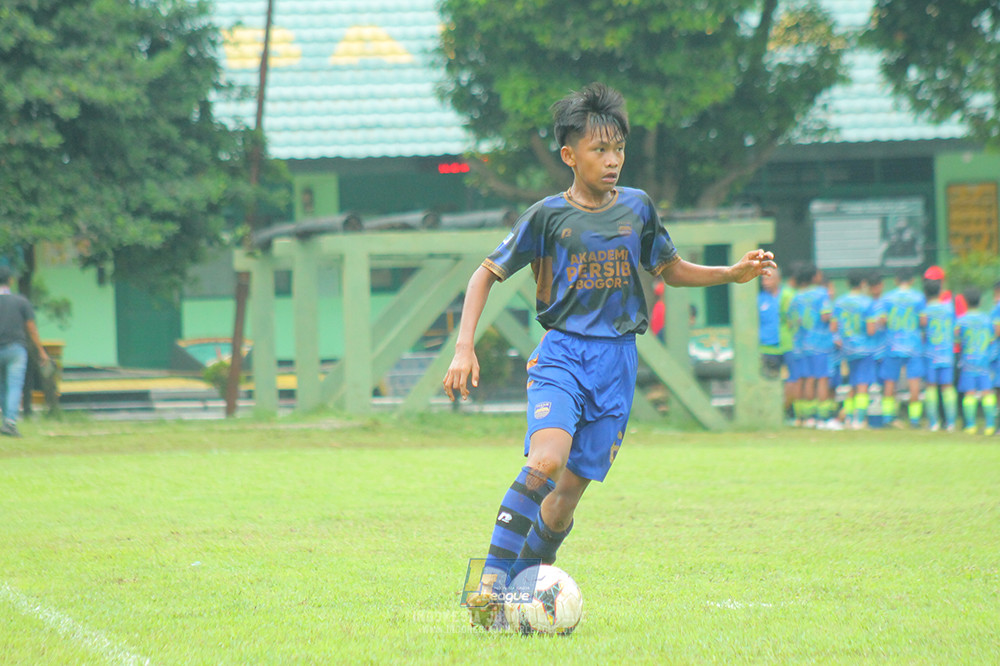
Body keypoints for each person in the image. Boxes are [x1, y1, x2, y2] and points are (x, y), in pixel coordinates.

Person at [440, 83, 776, 630]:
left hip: (617, 363)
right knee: (546, 461)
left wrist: (730, 273)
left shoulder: (638, 207)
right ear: (570, 156)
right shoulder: (546, 217)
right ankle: (492, 582)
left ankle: (517, 602)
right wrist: (463, 346)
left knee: (567, 497)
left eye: (618, 147)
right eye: (600, 150)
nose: (613, 159)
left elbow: (670, 268)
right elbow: (486, 273)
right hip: (563, 355)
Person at [0, 265, 51, 437]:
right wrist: (41, 351)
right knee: (14, 385)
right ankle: (10, 422)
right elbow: (31, 329)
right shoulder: (21, 302)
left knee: (1, 387)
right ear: (11, 280)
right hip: (15, 349)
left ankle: (5, 421)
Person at [874, 268, 926, 428]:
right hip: (913, 345)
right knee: (914, 380)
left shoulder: (887, 298)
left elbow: (881, 321)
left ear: (896, 280)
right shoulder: (919, 297)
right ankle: (915, 419)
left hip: (893, 345)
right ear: (912, 281)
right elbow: (923, 322)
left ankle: (888, 417)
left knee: (890, 380)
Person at [789, 263, 835, 428]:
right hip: (820, 342)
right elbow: (825, 316)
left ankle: (805, 417)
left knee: (807, 379)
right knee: (822, 378)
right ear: (814, 276)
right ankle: (823, 418)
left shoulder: (796, 297)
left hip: (801, 343)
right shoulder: (821, 293)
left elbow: (791, 321)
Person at [830, 269, 876, 429]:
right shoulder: (868, 303)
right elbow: (871, 330)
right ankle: (860, 419)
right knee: (863, 384)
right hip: (864, 348)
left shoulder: (839, 302)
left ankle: (849, 416)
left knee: (852, 383)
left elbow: (834, 326)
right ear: (863, 283)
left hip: (848, 349)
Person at [954, 287, 997, 435]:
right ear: (981, 301)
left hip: (968, 362)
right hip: (984, 361)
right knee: (987, 392)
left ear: (965, 302)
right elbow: (992, 340)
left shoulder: (961, 321)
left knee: (969, 393)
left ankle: (971, 426)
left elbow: (957, 340)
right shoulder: (987, 319)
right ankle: (990, 426)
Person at [920, 278, 957, 431]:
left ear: (925, 293)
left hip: (930, 354)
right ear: (940, 290)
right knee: (947, 387)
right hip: (947, 354)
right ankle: (951, 423)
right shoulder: (949, 309)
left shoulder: (924, 311)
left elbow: (922, 330)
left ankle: (933, 423)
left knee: (931, 387)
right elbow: (955, 329)